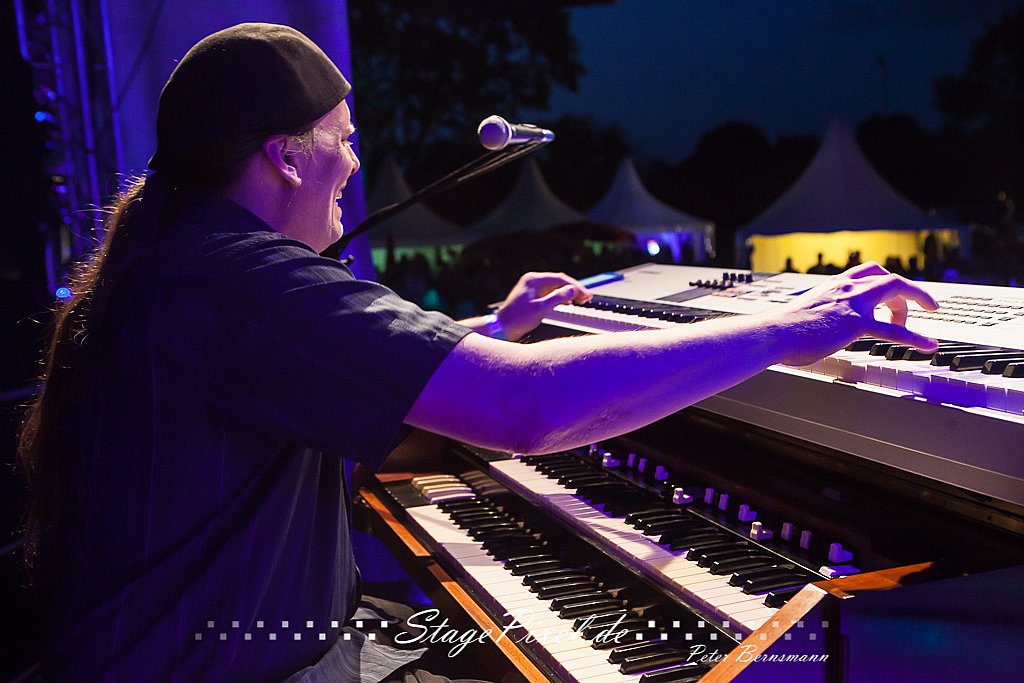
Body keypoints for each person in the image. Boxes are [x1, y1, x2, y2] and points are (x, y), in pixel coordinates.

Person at [18, 23, 939, 683]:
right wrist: (796, 324)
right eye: (343, 142)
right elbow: (527, 409)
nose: (354, 165)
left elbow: (345, 375)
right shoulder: (239, 276)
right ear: (286, 158)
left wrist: (492, 331)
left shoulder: (179, 261)